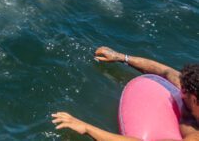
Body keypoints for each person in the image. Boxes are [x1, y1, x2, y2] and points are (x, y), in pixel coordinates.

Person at [52, 46, 199, 140]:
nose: (180, 93)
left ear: (194, 99)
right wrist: (120, 57)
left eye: (184, 93)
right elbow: (165, 71)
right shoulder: (191, 88)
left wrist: (86, 128)